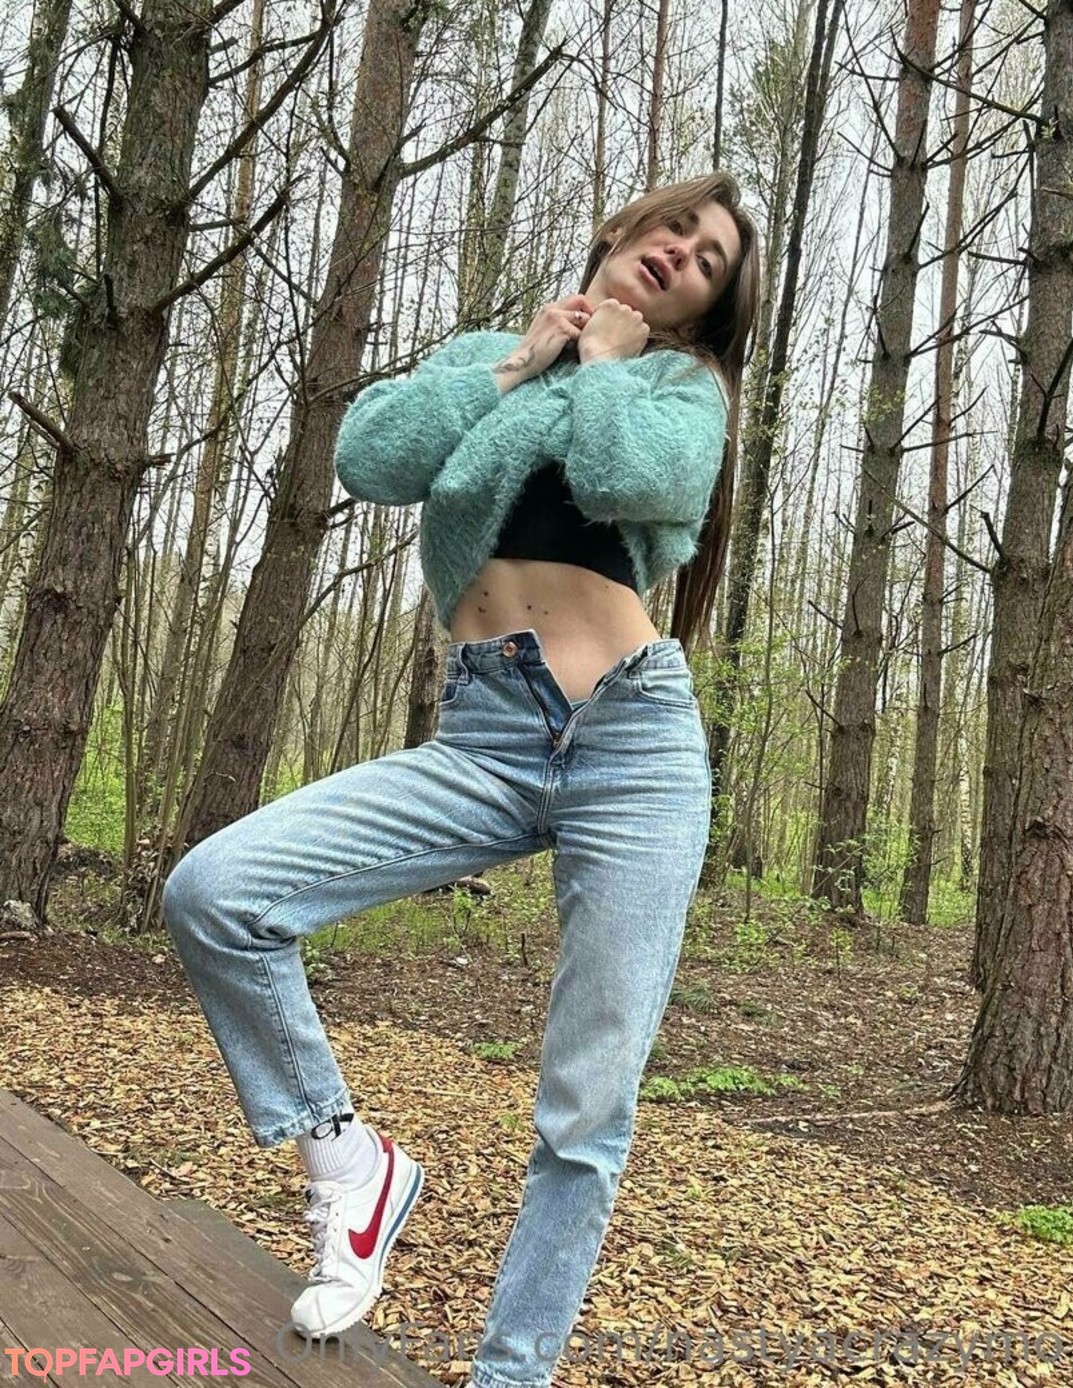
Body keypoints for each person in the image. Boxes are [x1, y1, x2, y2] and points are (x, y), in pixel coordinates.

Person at [162, 169, 760, 1388]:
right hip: (486, 733)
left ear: (702, 308)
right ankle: (351, 1163)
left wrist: (605, 361)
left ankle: (510, 1374)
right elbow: (370, 455)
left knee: (586, 1110)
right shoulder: (492, 350)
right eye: (676, 228)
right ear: (624, 227)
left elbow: (631, 479)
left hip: (634, 746)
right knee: (215, 892)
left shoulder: (683, 389)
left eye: (709, 262)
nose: (683, 254)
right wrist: (519, 361)